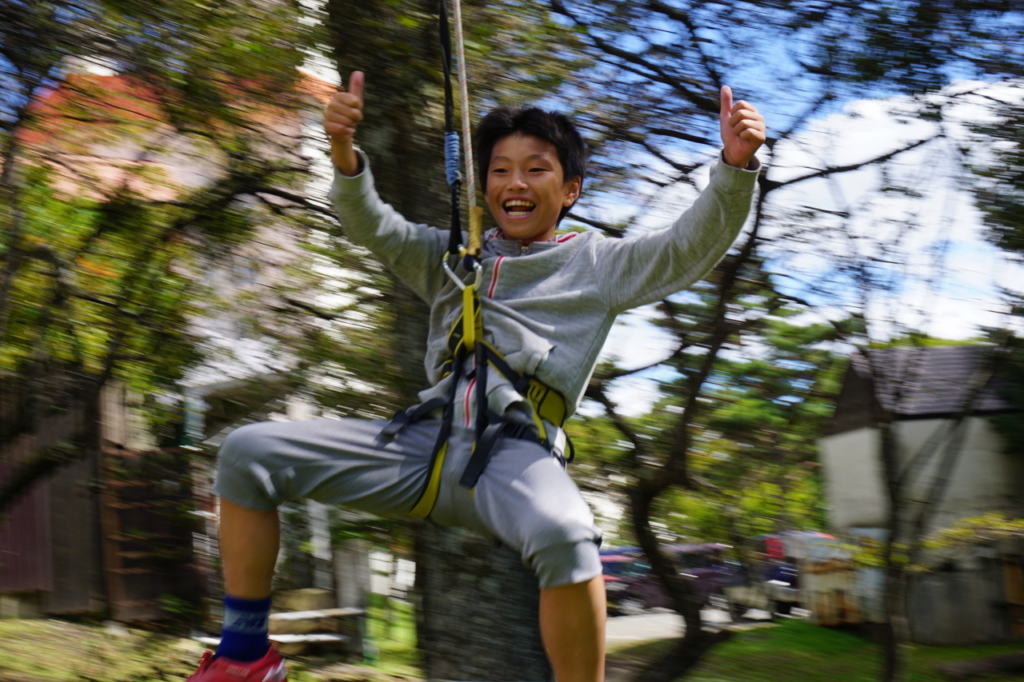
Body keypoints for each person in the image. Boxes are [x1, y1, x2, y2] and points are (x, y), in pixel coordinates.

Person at [186, 69, 766, 682]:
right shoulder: (452, 258)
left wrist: (734, 168)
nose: (515, 182)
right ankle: (245, 657)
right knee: (247, 453)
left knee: (567, 537)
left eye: (536, 169)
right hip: (424, 446)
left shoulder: (597, 263)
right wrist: (342, 152)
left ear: (570, 189)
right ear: (483, 187)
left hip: (514, 456)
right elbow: (371, 225)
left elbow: (686, 247)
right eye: (499, 170)